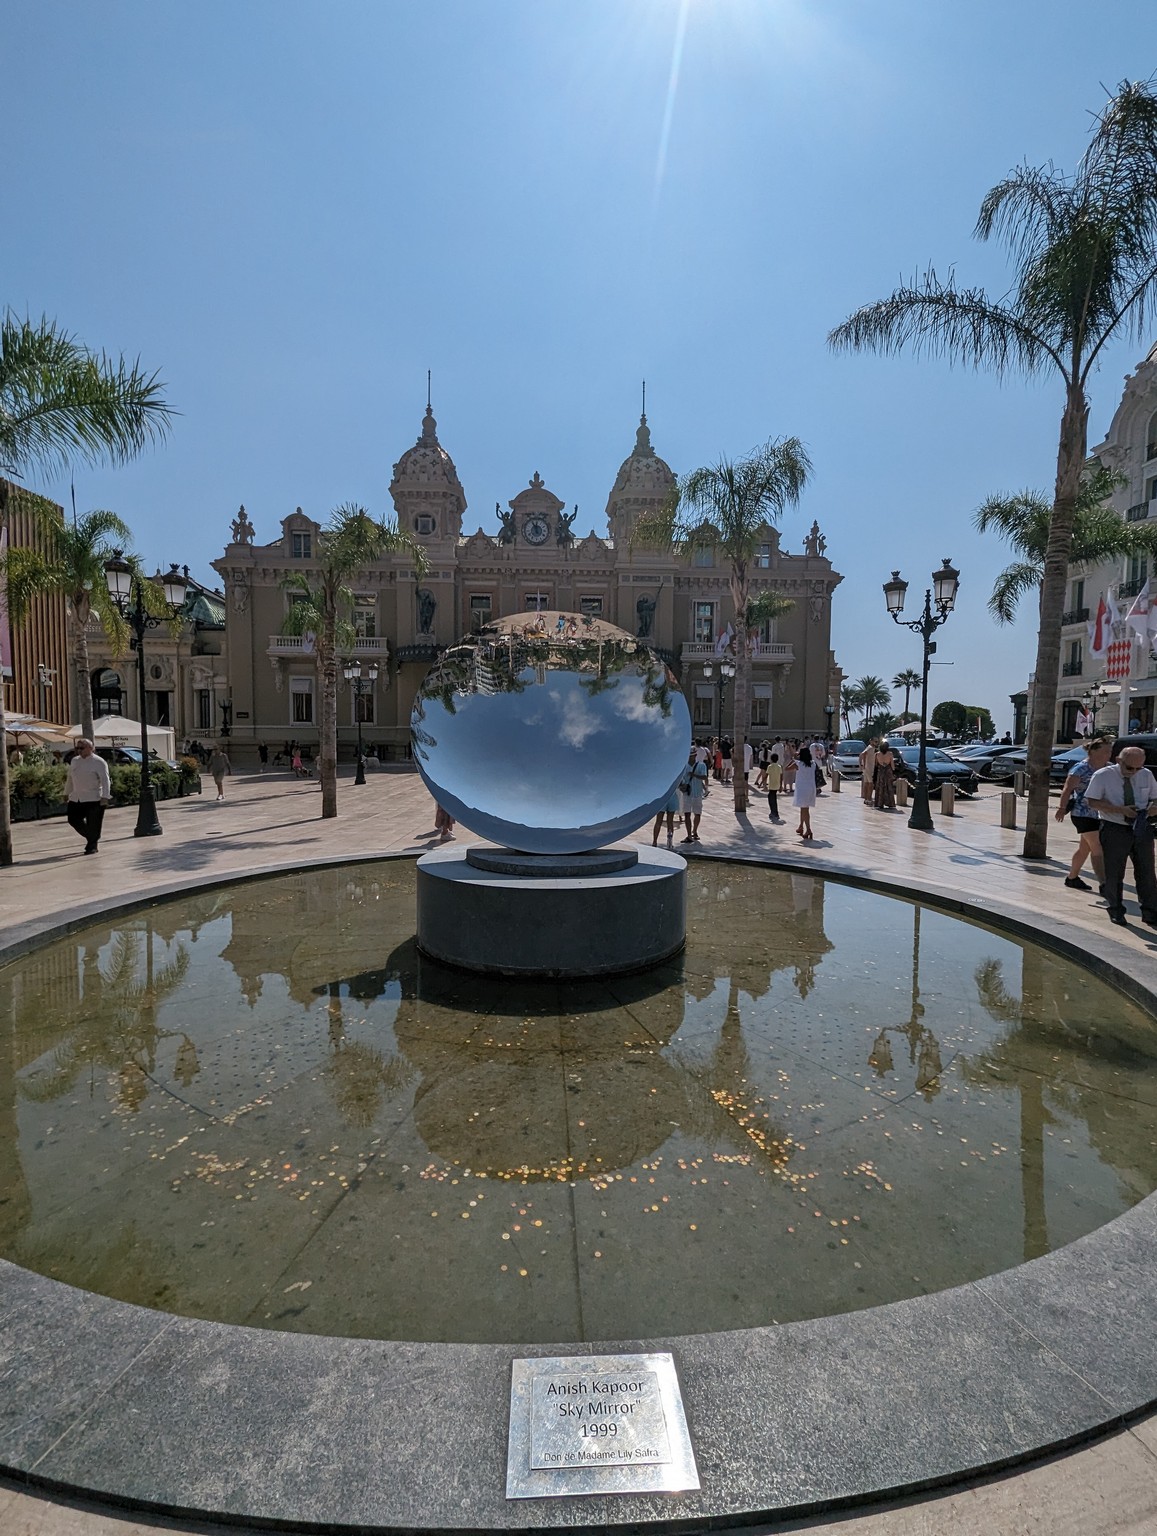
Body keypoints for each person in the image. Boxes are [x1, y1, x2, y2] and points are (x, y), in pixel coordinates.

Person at [1086, 745, 1157, 926]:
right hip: (1114, 827)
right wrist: (1119, 810)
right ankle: (1116, 909)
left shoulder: (1146, 775)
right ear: (1119, 761)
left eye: (1138, 768)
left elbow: (1155, 797)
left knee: (1147, 871)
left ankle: (1150, 912)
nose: (1133, 772)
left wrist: (1153, 808)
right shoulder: (1103, 775)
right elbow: (1092, 801)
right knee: (1114, 872)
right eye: (1129, 768)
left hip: (1142, 826)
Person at [1054, 735, 1111, 892]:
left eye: (1110, 751)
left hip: (1101, 813)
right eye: (1106, 751)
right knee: (1097, 847)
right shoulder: (1080, 768)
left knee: (1084, 848)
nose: (1109, 754)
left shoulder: (1109, 767)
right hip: (1083, 813)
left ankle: (1072, 878)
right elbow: (1067, 789)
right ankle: (1104, 883)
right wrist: (1061, 807)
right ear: (1093, 752)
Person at [65, 738, 111, 854]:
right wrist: (66, 793)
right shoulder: (75, 761)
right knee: (73, 819)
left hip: (94, 798)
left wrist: (105, 797)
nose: (79, 751)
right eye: (77, 748)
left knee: (94, 823)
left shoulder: (99, 762)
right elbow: (70, 778)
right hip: (76, 797)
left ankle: (92, 845)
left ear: (91, 748)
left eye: (82, 748)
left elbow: (105, 780)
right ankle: (92, 837)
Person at [678, 748, 708, 842]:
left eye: (692, 756)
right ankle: (688, 835)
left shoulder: (701, 765)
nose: (690, 758)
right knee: (687, 814)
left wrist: (694, 775)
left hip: (697, 793)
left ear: (695, 756)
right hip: (687, 793)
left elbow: (704, 776)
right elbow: (680, 779)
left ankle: (694, 831)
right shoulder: (684, 767)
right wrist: (681, 786)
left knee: (697, 813)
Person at [793, 745, 817, 839]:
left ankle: (808, 829)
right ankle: (801, 826)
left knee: (804, 809)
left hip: (802, 788)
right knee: (804, 809)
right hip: (811, 787)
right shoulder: (813, 763)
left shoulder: (798, 764)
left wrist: (794, 756)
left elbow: (787, 767)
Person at [652, 783, 680, 849]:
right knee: (670, 822)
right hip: (672, 797)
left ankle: (655, 841)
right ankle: (669, 843)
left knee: (658, 821)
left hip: (662, 797)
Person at [874, 741, 897, 810]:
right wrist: (893, 770)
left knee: (880, 786)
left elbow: (876, 764)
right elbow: (892, 764)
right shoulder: (890, 754)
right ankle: (890, 803)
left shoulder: (877, 754)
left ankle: (879, 803)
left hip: (880, 770)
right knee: (889, 786)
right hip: (888, 770)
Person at [766, 752, 784, 823]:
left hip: (771, 785)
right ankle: (774, 812)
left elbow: (766, 775)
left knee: (771, 799)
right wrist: (780, 785)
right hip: (777, 785)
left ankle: (774, 812)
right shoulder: (779, 767)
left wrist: (762, 783)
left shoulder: (770, 766)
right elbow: (781, 776)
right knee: (773, 798)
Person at [859, 738, 878, 804]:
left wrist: (862, 764)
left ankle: (866, 799)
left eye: (877, 742)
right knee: (870, 784)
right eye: (875, 741)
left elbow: (862, 754)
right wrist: (862, 764)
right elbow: (863, 754)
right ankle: (869, 799)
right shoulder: (870, 748)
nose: (876, 743)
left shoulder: (869, 748)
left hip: (867, 767)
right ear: (871, 741)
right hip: (869, 768)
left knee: (866, 783)